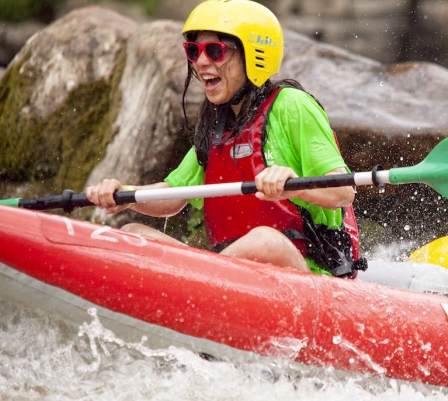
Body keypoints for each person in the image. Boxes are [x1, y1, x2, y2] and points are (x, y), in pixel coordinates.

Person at [86, 0, 366, 278]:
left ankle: (197, 278)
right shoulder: (216, 125)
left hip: (311, 275)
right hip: (227, 274)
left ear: (255, 55)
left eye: (215, 51)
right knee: (132, 234)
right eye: (194, 51)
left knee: (266, 242)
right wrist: (125, 194)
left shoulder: (292, 106)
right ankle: (199, 280)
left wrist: (296, 188)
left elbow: (343, 192)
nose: (201, 62)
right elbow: (171, 195)